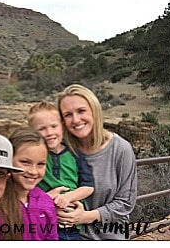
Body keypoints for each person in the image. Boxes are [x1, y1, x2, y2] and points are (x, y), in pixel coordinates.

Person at [57, 84, 137, 240]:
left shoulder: (120, 149)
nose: (76, 120)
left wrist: (84, 217)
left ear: (94, 110)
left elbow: (125, 202)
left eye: (81, 111)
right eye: (68, 114)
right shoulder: (61, 151)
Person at [28, 101, 94, 240]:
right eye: (42, 129)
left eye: (54, 126)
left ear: (62, 127)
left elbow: (88, 186)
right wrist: (46, 198)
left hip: (71, 224)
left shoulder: (74, 155)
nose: (49, 133)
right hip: (42, 224)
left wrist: (67, 197)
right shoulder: (34, 157)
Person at [0, 128, 58, 241]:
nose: (33, 171)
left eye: (41, 164)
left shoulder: (46, 202)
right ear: (9, 161)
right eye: (25, 162)